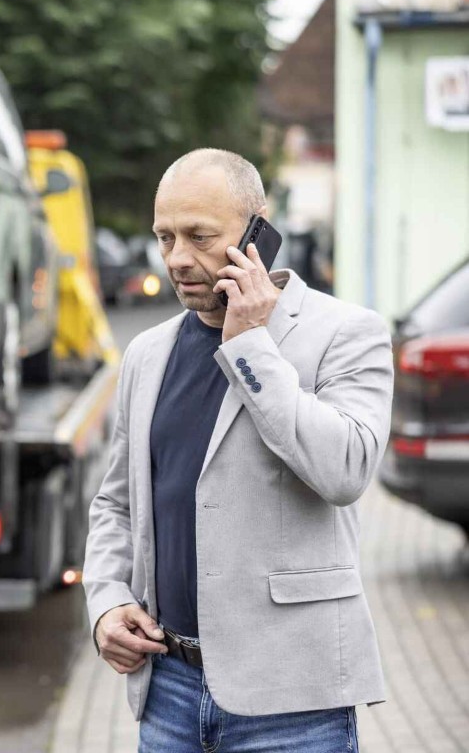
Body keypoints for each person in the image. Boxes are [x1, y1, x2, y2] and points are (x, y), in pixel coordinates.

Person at [82, 149, 391, 751]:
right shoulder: (147, 353)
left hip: (295, 704)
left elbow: (346, 470)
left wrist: (251, 345)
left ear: (258, 231)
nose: (177, 258)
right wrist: (107, 602)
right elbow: (116, 503)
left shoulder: (347, 333)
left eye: (199, 236)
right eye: (165, 237)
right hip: (167, 690)